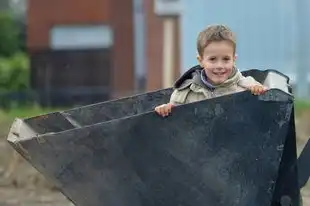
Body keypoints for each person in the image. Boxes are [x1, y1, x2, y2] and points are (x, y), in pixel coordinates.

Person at [155, 24, 268, 117]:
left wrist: (259, 91)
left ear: (234, 60)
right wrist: (165, 109)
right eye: (213, 59)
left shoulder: (247, 87)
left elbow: (264, 108)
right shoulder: (185, 94)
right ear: (201, 60)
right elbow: (174, 125)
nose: (219, 65)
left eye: (226, 59)